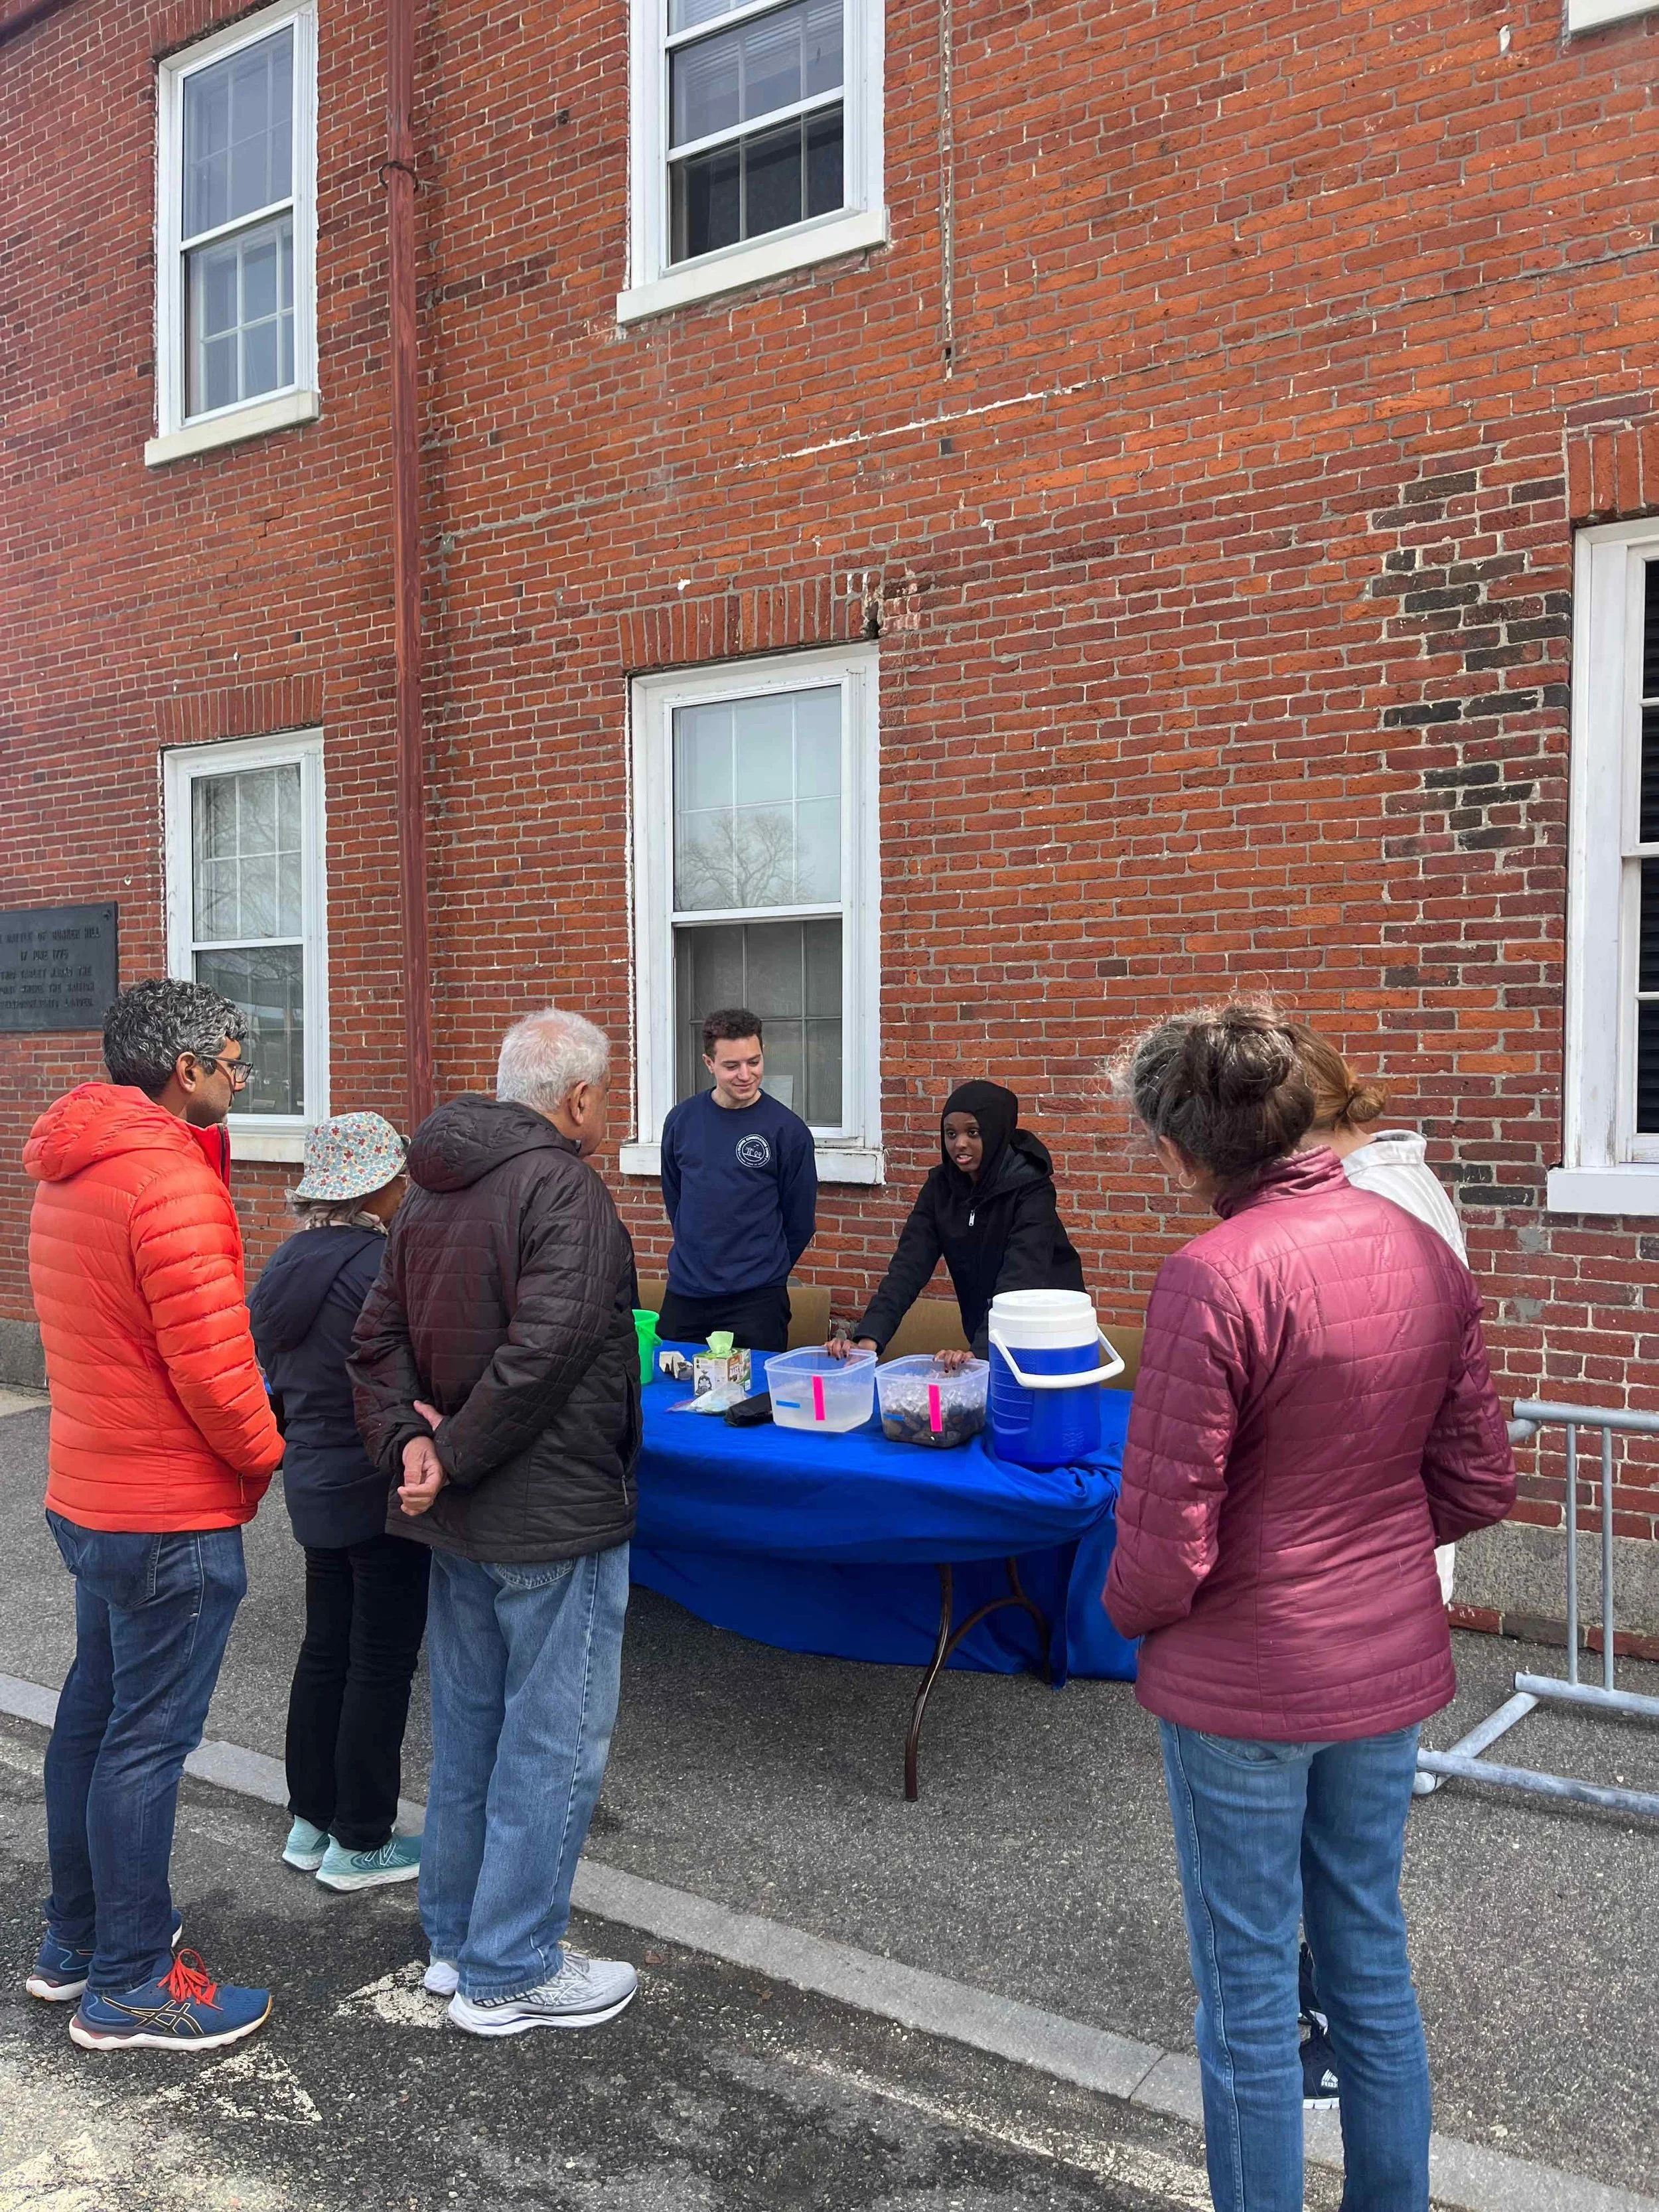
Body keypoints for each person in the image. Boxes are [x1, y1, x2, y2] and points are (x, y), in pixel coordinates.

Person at [1103, 1002, 1515, 2212]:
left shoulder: (1211, 1277)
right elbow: (1480, 1477)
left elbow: (1165, 1544)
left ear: (1182, 1151)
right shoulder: (1417, 1245)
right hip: (1381, 1660)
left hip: (1245, 1677)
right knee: (1368, 1962)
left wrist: (1131, 1613)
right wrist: (1369, 1554)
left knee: (1245, 1992)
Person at [350, 1007, 642, 2037]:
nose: (605, 1111)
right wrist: (441, 1453)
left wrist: (414, 1449)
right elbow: (546, 1357)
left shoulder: (429, 1192)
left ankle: (455, 1940)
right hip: (547, 1515)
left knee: (471, 1731)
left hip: (461, 1514)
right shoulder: (565, 1188)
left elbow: (374, 1342)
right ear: (575, 1099)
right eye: (604, 1094)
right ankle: (511, 1967)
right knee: (552, 1742)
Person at [24, 979, 283, 2052]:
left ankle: (77, 1939)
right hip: (167, 1511)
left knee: (93, 1716)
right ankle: (129, 1980)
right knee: (144, 1740)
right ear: (186, 1067)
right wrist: (266, 1459)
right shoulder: (168, 1182)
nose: (243, 1071)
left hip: (91, 1493)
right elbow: (218, 1373)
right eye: (233, 1055)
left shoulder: (73, 1170)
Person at [1288, 1023, 1471, 2110]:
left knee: (1342, 1843)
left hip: (1353, 1575)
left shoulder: (1375, 1206)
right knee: (1343, 1835)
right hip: (1380, 1565)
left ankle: (1337, 2032)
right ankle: (1338, 2018)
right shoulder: (1399, 1182)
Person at [249, 1112, 429, 1895]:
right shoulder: (382, 1265)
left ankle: (310, 1820)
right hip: (379, 1481)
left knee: (325, 1649)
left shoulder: (288, 1262)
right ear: (378, 1183)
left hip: (313, 1480)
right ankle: (362, 1839)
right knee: (380, 1660)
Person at [828, 1080, 1085, 1370]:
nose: (959, 1143)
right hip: (989, 1338)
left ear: (996, 1131)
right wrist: (868, 1342)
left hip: (1051, 1335)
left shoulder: (1032, 1190)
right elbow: (907, 1268)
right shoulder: (941, 1188)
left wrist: (979, 1351)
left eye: (973, 1133)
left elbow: (1021, 1278)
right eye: (951, 1134)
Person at [656, 1008, 816, 1355]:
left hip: (757, 1303)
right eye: (732, 1066)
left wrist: (762, 1270)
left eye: (754, 1062)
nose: (746, 1075)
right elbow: (676, 1198)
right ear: (709, 1063)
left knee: (751, 1405)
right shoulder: (682, 1121)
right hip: (687, 1295)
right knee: (668, 1398)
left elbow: (800, 1220)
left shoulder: (787, 1131)